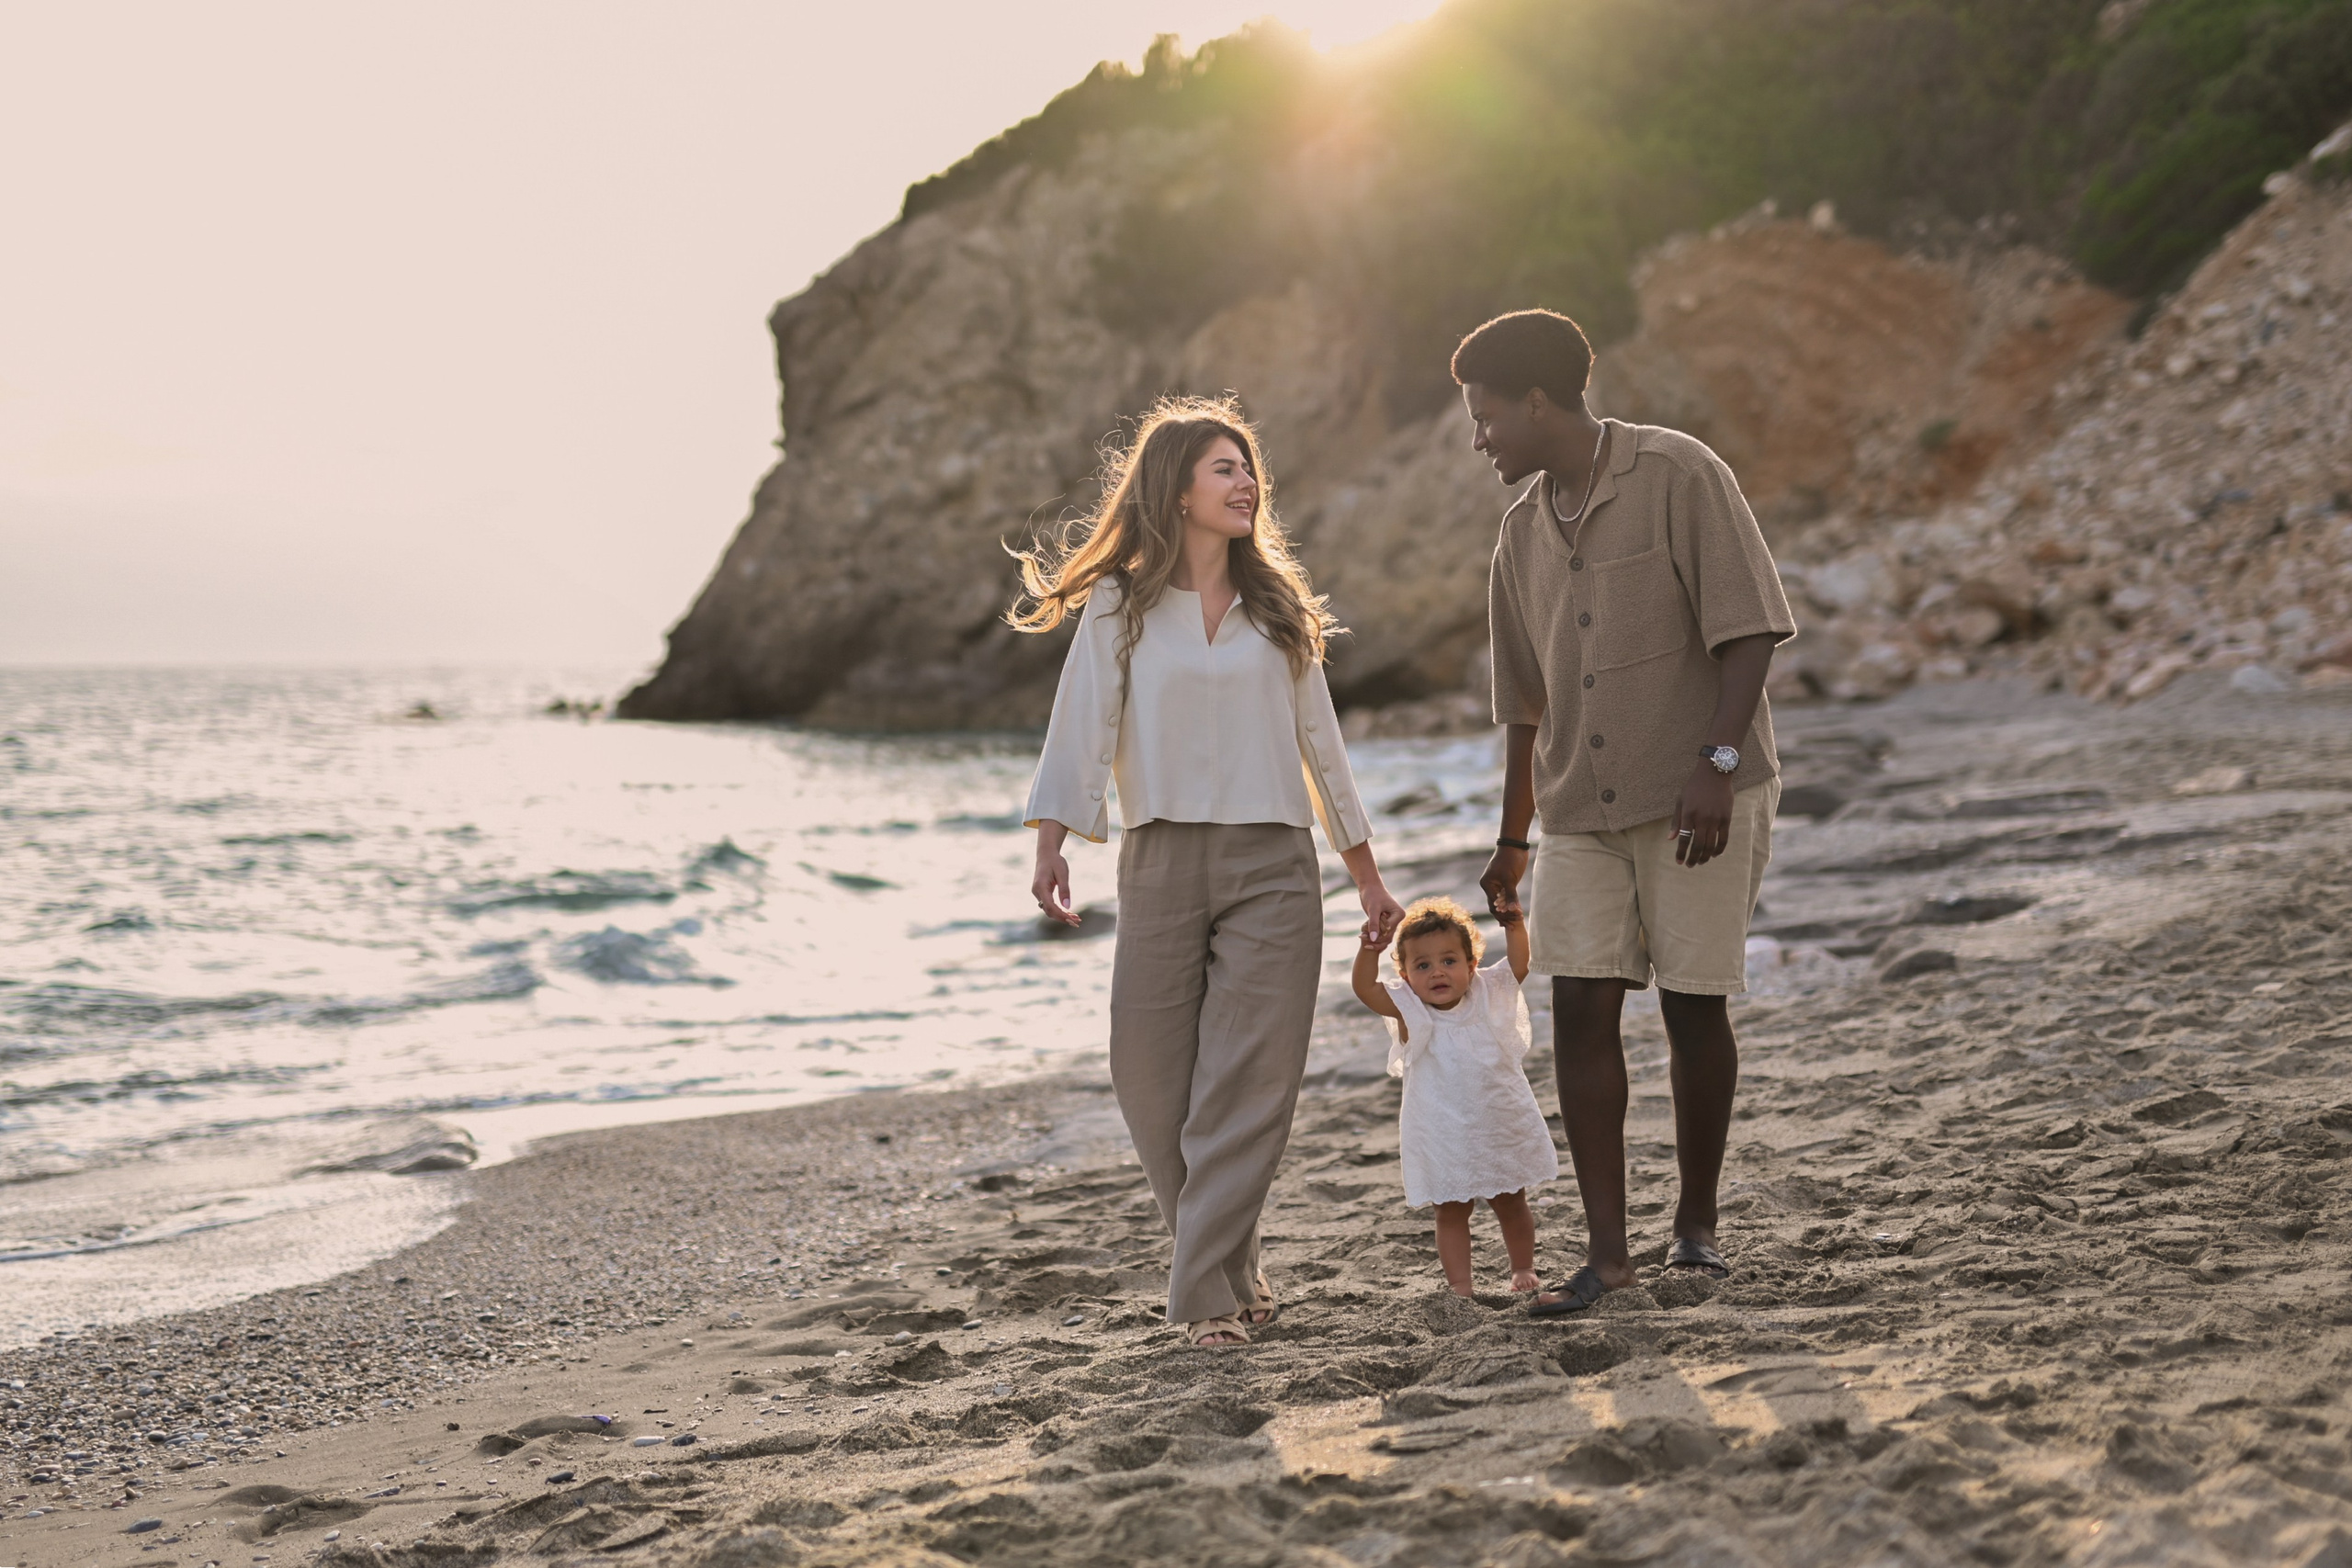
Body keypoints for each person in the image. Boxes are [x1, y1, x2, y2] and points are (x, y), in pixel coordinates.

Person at [1011, 394, 1408, 1348]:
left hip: (1274, 863)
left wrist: (1366, 874)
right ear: (1178, 490)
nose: (1246, 482)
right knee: (1150, 1078)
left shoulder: (1280, 612)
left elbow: (1323, 747)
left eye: (1248, 468)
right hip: (1161, 858)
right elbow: (1081, 721)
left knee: (1249, 1079)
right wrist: (1052, 836)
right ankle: (1231, 1261)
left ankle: (1203, 1296)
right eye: (1224, 468)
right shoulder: (1120, 603)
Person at [1453, 309, 1797, 1317]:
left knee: (1693, 1002)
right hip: (1576, 812)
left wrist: (1717, 763)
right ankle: (1608, 1257)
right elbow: (1522, 708)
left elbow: (1750, 632)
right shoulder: (1516, 537)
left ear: (1536, 401)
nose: (1480, 439)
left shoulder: (1679, 474)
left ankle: (1696, 1227)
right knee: (1580, 1007)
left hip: (1700, 789)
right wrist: (1512, 840)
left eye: (1484, 419)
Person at [1351, 896, 1555, 1296]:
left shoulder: (1487, 993)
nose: (1437, 972)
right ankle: (1461, 1286)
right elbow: (1364, 988)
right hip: (1443, 1131)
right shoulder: (1410, 1009)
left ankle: (1522, 1268)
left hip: (1497, 1121)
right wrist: (1368, 949)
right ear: (1406, 976)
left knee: (1512, 1199)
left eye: (1449, 961)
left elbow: (1519, 965)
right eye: (1422, 965)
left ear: (1471, 965)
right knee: (1450, 1211)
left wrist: (1514, 925)